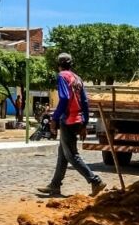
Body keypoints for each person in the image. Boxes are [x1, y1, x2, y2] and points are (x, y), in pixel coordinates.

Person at [37, 52, 107, 198]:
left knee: (72, 155)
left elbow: (64, 98)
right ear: (71, 64)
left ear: (59, 65)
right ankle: (55, 185)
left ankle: (95, 181)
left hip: (68, 120)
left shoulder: (62, 76)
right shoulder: (77, 79)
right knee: (63, 154)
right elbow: (85, 102)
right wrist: (85, 123)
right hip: (78, 120)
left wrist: (54, 118)